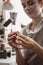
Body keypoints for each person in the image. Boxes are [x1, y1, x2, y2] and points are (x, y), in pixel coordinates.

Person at [8, 0, 43, 65]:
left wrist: (33, 46)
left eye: (31, 3)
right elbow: (22, 63)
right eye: (24, 6)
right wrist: (17, 48)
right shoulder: (24, 31)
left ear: (41, 3)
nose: (27, 8)